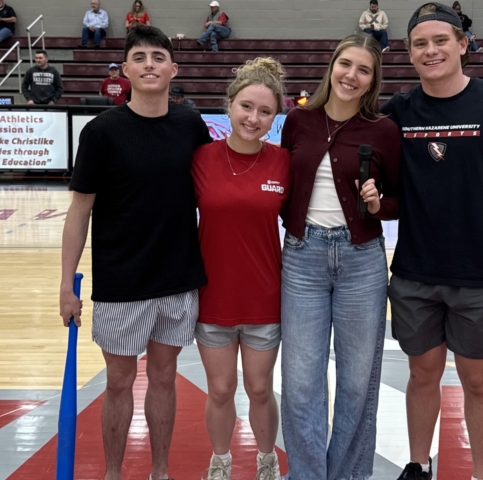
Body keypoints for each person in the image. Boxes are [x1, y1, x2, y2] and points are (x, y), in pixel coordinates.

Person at [380, 3, 483, 480]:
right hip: (415, 273)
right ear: (409, 52)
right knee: (421, 375)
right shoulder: (398, 111)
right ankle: (418, 465)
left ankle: (481, 475)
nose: (430, 50)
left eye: (440, 41)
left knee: (478, 383)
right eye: (420, 44)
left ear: (462, 45)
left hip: (480, 274)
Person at [60, 25, 212, 480]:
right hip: (121, 281)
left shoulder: (190, 124)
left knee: (164, 378)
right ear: (124, 69)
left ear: (173, 69)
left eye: (158, 57)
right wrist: (66, 286)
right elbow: (79, 211)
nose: (149, 64)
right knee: (119, 381)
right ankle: (113, 473)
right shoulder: (101, 132)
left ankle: (160, 472)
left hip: (177, 278)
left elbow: (213, 194)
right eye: (140, 57)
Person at [279, 33, 400, 480]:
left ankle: (348, 475)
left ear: (373, 80)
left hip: (361, 262)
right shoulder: (299, 121)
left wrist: (378, 204)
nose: (352, 75)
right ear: (332, 67)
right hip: (302, 258)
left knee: (356, 383)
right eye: (346, 64)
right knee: (300, 382)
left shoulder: (383, 131)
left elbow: (401, 199)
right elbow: (281, 186)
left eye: (363, 70)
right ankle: (308, 475)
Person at [192, 57, 290, 480]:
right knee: (219, 390)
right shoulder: (200, 158)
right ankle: (220, 462)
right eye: (246, 107)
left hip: (264, 298)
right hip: (213, 296)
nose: (253, 118)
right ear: (229, 105)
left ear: (275, 117)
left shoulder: (284, 162)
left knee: (260, 388)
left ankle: (267, 461)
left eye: (265, 111)